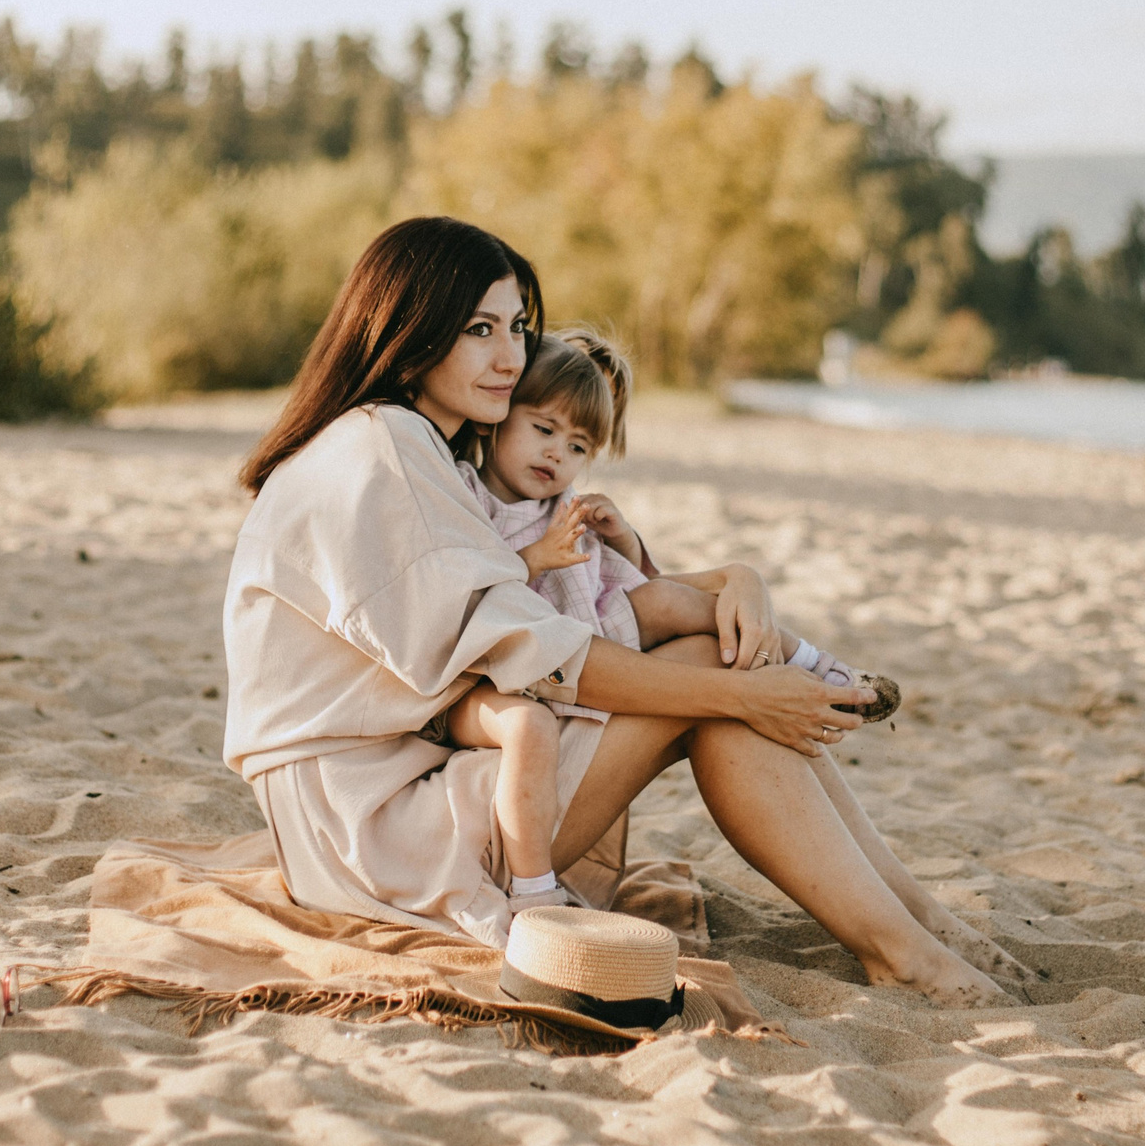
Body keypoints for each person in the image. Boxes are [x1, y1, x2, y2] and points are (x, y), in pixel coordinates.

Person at [224, 215, 1024, 1005]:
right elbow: (551, 657)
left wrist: (731, 583)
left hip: (401, 785)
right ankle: (903, 946)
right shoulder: (384, 454)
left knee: (720, 664)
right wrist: (747, 691)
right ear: (410, 328)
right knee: (721, 682)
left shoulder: (414, 445)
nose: (511, 358)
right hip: (374, 830)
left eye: (517, 327)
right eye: (479, 329)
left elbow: (596, 612)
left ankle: (915, 923)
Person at [443, 326, 901, 916]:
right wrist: (536, 557)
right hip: (542, 663)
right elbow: (477, 590)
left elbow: (622, 583)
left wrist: (624, 538)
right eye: (544, 430)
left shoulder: (565, 506)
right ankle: (801, 675)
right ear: (497, 420)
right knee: (684, 633)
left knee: (679, 612)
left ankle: (810, 662)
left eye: (579, 447)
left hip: (596, 634)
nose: (558, 454)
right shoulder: (468, 494)